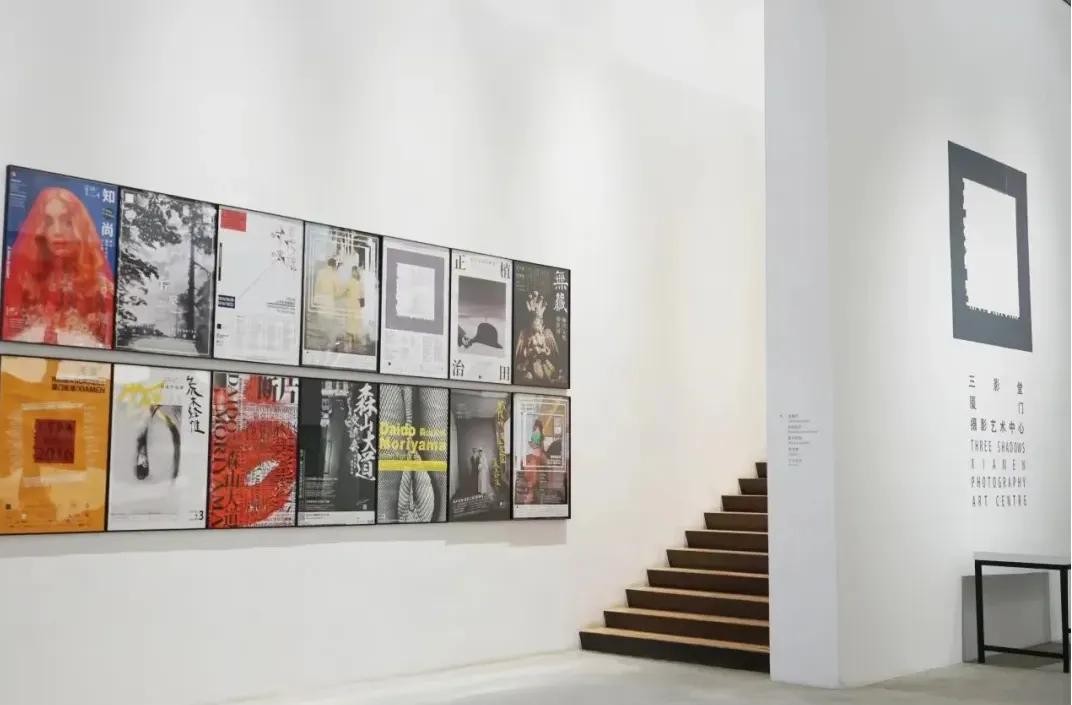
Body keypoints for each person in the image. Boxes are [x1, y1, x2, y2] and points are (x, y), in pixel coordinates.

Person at [3, 187, 115, 346]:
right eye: (49, 222)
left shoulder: (100, 288)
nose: (57, 231)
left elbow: (109, 346)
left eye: (67, 222)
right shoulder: (25, 283)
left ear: (79, 227)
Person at [340, 265, 365, 351]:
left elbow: (343, 292)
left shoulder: (350, 282)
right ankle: (352, 346)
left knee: (350, 327)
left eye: (353, 271)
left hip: (351, 307)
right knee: (354, 327)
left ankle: (349, 347)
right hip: (355, 308)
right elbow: (362, 298)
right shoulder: (359, 283)